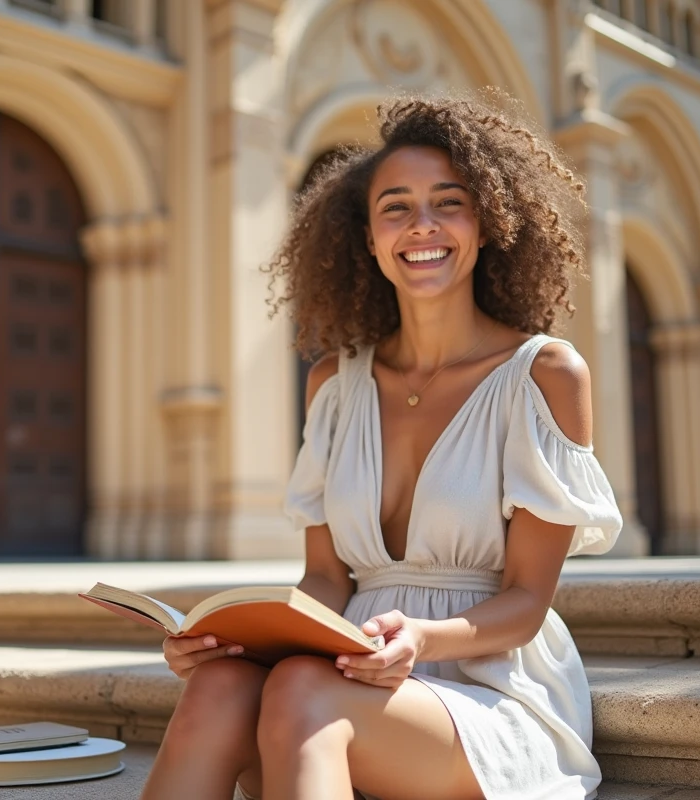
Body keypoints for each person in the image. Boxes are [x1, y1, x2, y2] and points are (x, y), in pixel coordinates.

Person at [141, 93, 623, 800]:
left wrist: (423, 639)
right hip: (349, 667)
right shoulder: (335, 384)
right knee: (220, 682)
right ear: (368, 238)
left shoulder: (544, 375)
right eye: (395, 207)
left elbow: (525, 601)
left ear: (487, 223)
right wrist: (236, 636)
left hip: (486, 685)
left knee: (302, 691)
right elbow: (328, 581)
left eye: (447, 202)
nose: (421, 225)